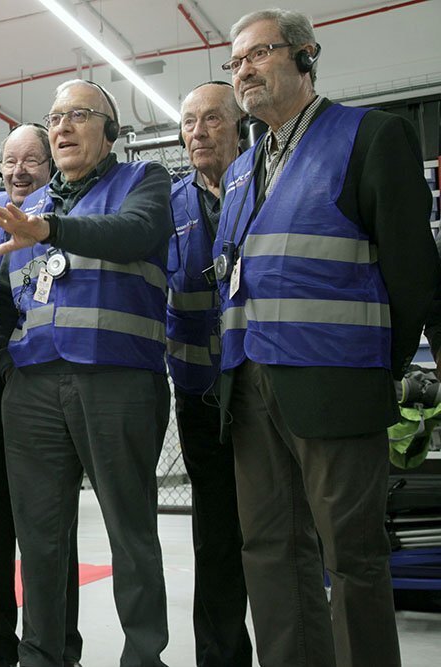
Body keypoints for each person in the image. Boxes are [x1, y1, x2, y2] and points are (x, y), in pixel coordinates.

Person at [214, 9, 440, 666]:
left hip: (339, 383)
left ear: (306, 54)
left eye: (258, 54)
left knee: (354, 558)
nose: (244, 71)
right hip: (251, 386)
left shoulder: (371, 136)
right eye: (234, 63)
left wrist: (380, 367)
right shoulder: (240, 171)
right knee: (271, 554)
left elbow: (413, 270)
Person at [0, 79, 172, 667]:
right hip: (34, 387)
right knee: (39, 538)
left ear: (110, 131)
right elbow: (7, 303)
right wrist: (11, 366)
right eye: (55, 117)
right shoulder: (30, 208)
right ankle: (43, 655)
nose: (62, 127)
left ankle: (143, 656)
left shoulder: (144, 182)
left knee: (129, 531)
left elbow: (136, 234)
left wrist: (51, 231)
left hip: (116, 380)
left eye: (79, 115)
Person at [0, 123, 82, 667]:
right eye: (10, 161)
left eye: (31, 161)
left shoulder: (62, 213)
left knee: (51, 529)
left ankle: (60, 645)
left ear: (50, 166)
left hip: (37, 387)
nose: (19, 172)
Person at [167, 81, 251, 667]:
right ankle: (219, 657)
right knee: (214, 536)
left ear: (240, 126)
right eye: (190, 122)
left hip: (264, 389)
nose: (198, 132)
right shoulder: (170, 204)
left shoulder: (265, 185)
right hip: (199, 395)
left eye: (212, 120)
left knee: (277, 533)